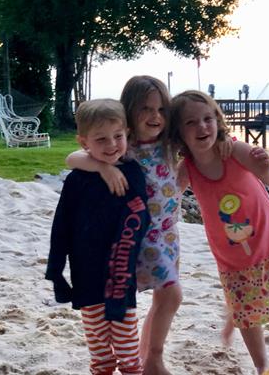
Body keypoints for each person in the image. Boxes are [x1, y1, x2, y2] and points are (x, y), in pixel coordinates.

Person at [170, 90, 269, 375]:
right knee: (247, 311)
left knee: (253, 301)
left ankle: (235, 313)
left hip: (265, 239)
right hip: (230, 253)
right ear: (179, 133)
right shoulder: (187, 168)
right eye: (191, 122)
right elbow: (169, 199)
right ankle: (262, 366)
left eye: (207, 119)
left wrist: (267, 168)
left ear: (217, 121)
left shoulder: (236, 150)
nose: (202, 127)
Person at [66, 76, 183, 375]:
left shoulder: (169, 143)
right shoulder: (123, 146)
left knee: (162, 299)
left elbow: (203, 138)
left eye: (161, 109)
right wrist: (103, 167)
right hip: (141, 238)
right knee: (172, 295)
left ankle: (147, 356)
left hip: (168, 234)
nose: (155, 116)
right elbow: (73, 158)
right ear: (130, 110)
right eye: (146, 108)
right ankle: (154, 360)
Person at [45, 99, 151, 375]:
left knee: (127, 343)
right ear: (84, 142)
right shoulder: (77, 180)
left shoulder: (132, 173)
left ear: (127, 133)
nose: (112, 145)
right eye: (101, 139)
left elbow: (141, 217)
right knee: (98, 342)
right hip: (86, 272)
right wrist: (56, 269)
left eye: (118, 136)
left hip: (121, 272)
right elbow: (61, 225)